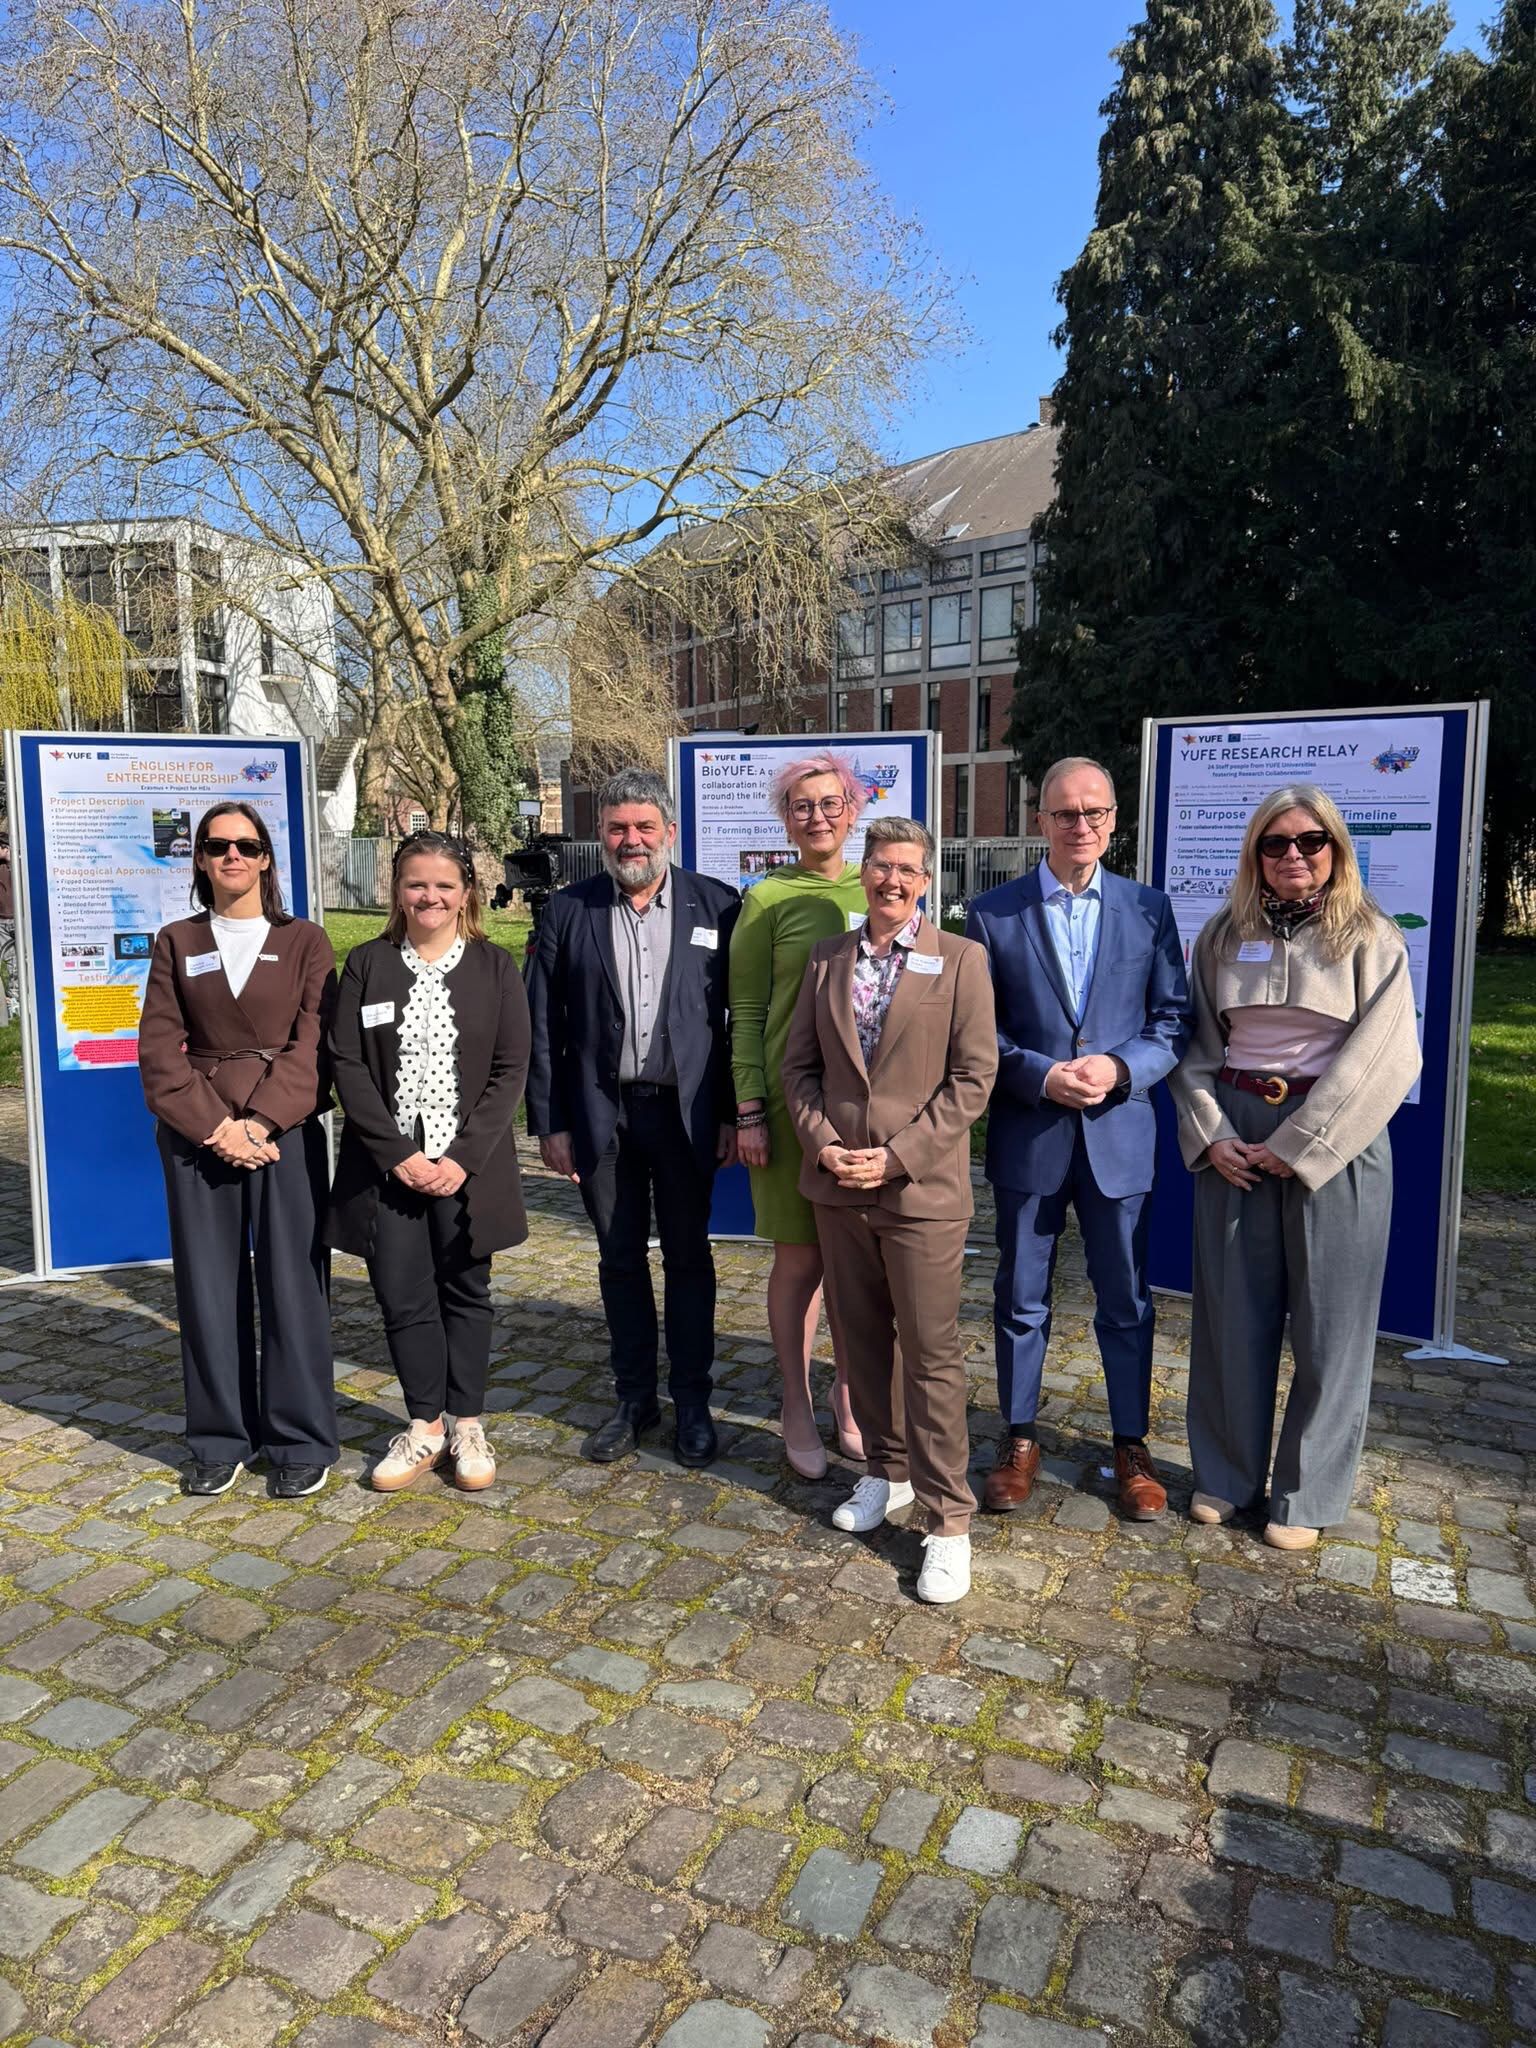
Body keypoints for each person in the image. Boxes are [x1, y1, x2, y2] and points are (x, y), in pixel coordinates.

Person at [1169, 785, 1420, 1548]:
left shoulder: (1372, 937)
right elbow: (1195, 1048)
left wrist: (1302, 1143)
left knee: (1331, 1327)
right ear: (1255, 855)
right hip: (1237, 1138)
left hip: (1335, 1139)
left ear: (1336, 849)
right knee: (1230, 1315)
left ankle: (1307, 1494)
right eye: (1274, 844)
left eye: (1311, 842)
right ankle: (1226, 1474)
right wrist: (1212, 1133)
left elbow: (1386, 1055)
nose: (1293, 856)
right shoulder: (1223, 935)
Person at [966, 756, 1190, 1519]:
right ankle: (1019, 1438)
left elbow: (1172, 1022)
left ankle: (1131, 1446)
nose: (1081, 824)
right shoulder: (992, 914)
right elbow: (978, 1031)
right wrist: (1039, 1075)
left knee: (1126, 1299)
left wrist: (1120, 1069)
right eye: (1065, 812)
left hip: (1117, 1138)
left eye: (1094, 811)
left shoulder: (1149, 909)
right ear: (1041, 820)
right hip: (1030, 1136)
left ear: (1114, 820)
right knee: (1019, 1298)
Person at [783, 818, 997, 1602]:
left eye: (908, 869)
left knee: (932, 1354)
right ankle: (886, 1468)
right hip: (839, 1186)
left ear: (926, 881)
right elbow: (799, 1070)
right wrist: (823, 1145)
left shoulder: (961, 960)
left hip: (921, 1191)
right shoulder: (827, 959)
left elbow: (974, 1078)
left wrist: (899, 1154)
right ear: (863, 871)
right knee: (861, 1338)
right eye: (880, 866)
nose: (892, 881)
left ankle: (948, 1521)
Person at [526, 767, 738, 1468]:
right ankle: (634, 1399)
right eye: (618, 828)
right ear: (601, 834)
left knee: (688, 1258)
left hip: (684, 1115)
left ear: (669, 832)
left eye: (645, 826)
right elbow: (542, 1022)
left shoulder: (718, 906)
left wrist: (734, 1113)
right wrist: (550, 1123)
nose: (632, 840)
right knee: (619, 1258)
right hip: (602, 1116)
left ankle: (694, 1402)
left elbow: (737, 1023)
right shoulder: (569, 910)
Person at [138, 803, 336, 1497]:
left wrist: (262, 1123)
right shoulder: (177, 940)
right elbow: (159, 1051)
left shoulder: (306, 940)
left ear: (265, 859)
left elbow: (314, 1046)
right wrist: (216, 1127)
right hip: (199, 1136)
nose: (232, 856)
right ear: (199, 858)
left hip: (285, 1132)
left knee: (294, 1286)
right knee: (207, 1287)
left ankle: (300, 1438)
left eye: (246, 846)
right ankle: (219, 1437)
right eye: (218, 845)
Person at [328, 831, 530, 1493]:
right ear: (398, 890)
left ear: (466, 893)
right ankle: (425, 1425)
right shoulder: (367, 964)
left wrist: (462, 1158)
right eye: (417, 884)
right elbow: (347, 1063)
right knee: (402, 1290)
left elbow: (511, 1069)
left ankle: (467, 1422)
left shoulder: (495, 968)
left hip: (470, 1167)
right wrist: (397, 1155)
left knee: (466, 1289)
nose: (430, 897)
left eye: (444, 885)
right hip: (387, 1166)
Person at [729, 750, 872, 1477]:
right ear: (786, 821)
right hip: (789, 1110)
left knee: (855, 1263)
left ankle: (850, 1396)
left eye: (829, 803)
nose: (817, 816)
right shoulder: (766, 899)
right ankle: (795, 1399)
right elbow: (748, 1009)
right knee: (800, 1260)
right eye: (801, 806)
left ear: (853, 810)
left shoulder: (879, 882)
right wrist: (749, 1109)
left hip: (864, 1109)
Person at [0, 821, 18, 1022]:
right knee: (9, 959)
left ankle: (20, 998)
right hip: (2, 921)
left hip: (19, 920)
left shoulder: (19, 865)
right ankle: (13, 1000)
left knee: (20, 960)